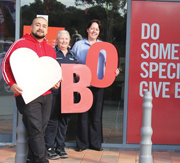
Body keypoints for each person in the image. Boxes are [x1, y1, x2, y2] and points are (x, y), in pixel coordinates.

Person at [1, 17, 60, 163]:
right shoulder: (20, 44)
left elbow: (52, 71)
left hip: (46, 95)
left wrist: (56, 82)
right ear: (31, 27)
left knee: (40, 129)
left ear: (47, 29)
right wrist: (11, 83)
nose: (41, 28)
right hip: (26, 94)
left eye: (44, 26)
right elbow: (5, 64)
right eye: (38, 25)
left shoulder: (50, 49)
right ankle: (41, 160)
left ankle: (32, 159)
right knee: (36, 130)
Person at [72, 19, 119, 151]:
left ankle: (95, 143)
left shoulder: (104, 47)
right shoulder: (78, 45)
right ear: (87, 30)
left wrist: (115, 71)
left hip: (98, 84)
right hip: (83, 84)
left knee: (96, 116)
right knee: (82, 115)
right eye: (92, 28)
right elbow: (72, 61)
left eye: (97, 29)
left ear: (99, 32)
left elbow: (110, 64)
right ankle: (82, 144)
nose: (94, 31)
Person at [44, 30, 79, 160]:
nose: (64, 41)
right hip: (55, 93)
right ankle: (49, 147)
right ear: (57, 40)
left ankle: (60, 147)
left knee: (64, 121)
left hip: (68, 94)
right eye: (61, 39)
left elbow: (78, 72)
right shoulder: (52, 53)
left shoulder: (72, 55)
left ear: (69, 41)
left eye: (66, 39)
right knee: (52, 120)